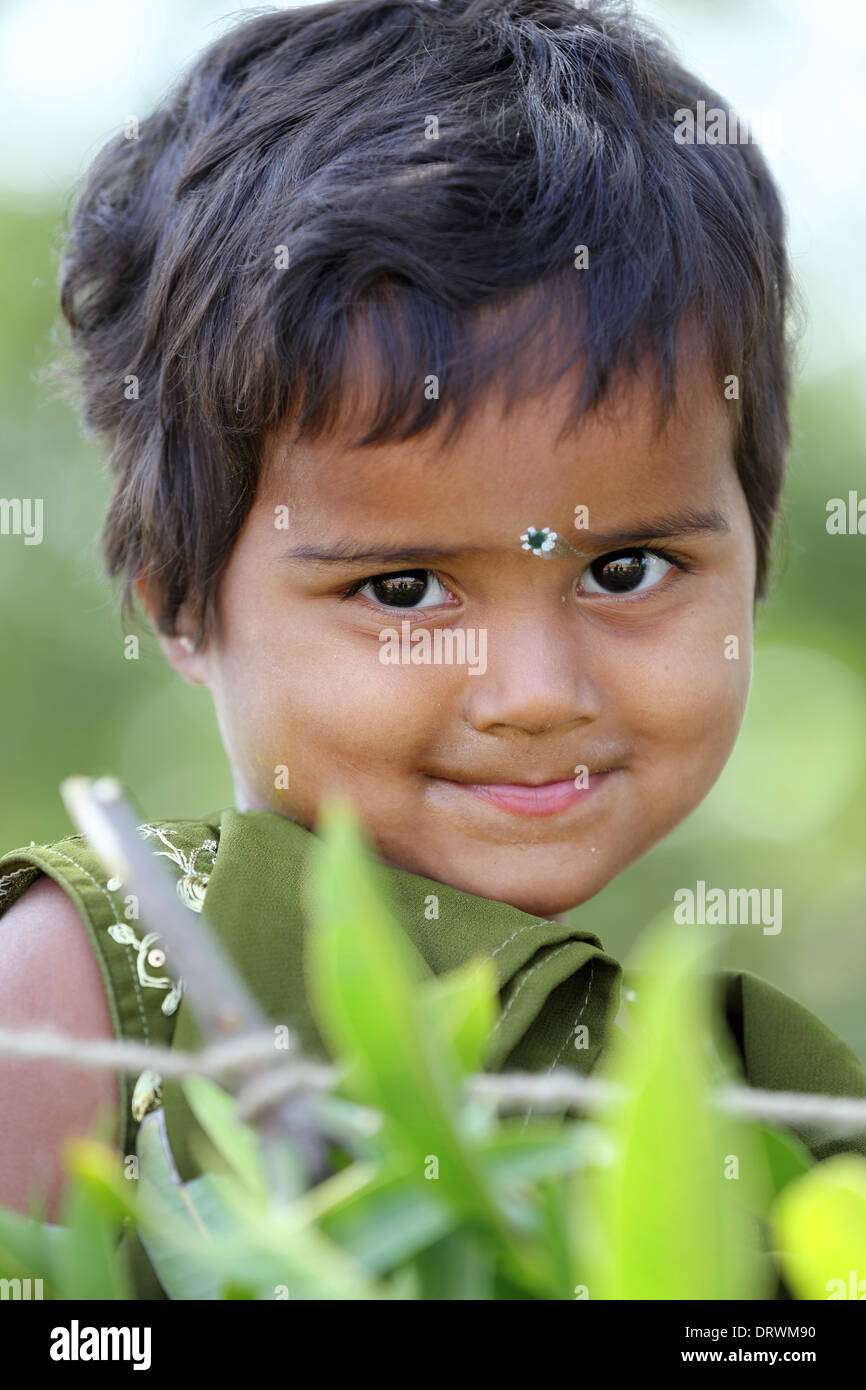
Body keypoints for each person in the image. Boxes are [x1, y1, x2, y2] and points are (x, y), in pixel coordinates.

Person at [1, 0, 864, 1297]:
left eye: (625, 570)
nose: (533, 694)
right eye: (401, 588)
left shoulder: (748, 1090)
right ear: (182, 602)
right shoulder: (86, 992)